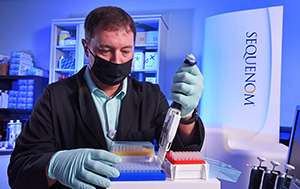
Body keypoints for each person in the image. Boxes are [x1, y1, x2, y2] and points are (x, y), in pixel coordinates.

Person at [8, 6, 204, 189]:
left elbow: (181, 150)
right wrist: (53, 164)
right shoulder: (55, 97)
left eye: (126, 51)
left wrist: (186, 116)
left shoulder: (150, 96)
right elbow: (18, 171)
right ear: (87, 49)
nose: (117, 61)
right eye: (105, 50)